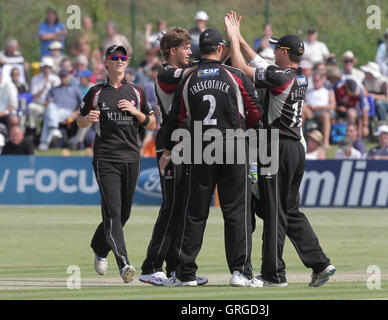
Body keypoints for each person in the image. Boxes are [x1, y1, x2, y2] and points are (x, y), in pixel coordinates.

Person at [225, 11, 335, 287]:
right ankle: (320, 264)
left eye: (277, 48)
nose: (273, 51)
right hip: (295, 148)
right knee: (287, 209)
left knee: (273, 211)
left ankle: (274, 274)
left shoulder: (280, 77)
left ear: (285, 53)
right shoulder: (298, 75)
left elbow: (240, 66)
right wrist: (240, 37)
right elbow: (259, 62)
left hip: (277, 148)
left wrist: (232, 41)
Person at [159, 27, 262, 287]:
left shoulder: (188, 79)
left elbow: (176, 118)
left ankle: (185, 274)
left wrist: (168, 151)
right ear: (220, 48)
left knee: (194, 213)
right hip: (233, 146)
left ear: (198, 50)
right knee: (236, 212)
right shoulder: (235, 75)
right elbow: (255, 111)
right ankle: (241, 272)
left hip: (199, 148)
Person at [77, 45, 156, 283]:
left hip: (132, 157)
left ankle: (100, 248)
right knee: (113, 212)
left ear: (127, 62)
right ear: (106, 62)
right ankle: (124, 264)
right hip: (106, 158)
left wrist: (135, 112)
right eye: (115, 57)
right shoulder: (96, 92)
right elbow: (79, 120)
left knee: (123, 215)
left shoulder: (137, 91)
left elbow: (151, 123)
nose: (120, 61)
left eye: (123, 57)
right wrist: (86, 119)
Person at [139, 27, 208, 286]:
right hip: (171, 143)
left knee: (183, 207)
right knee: (171, 207)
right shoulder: (166, 72)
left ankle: (176, 269)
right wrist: (211, 63)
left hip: (187, 142)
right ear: (172, 51)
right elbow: (191, 72)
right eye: (186, 48)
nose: (190, 52)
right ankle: (151, 266)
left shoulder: (182, 70)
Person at [38, 69, 83, 151]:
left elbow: (84, 103)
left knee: (49, 117)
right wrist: (47, 103)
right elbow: (46, 102)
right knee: (51, 108)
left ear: (69, 77)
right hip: (55, 112)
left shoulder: (75, 89)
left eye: (65, 76)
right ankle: (52, 130)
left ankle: (44, 141)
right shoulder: (53, 89)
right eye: (61, 76)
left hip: (68, 113)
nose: (63, 78)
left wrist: (77, 112)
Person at [27, 57, 61, 141]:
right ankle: (32, 130)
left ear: (51, 68)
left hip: (51, 106)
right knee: (31, 107)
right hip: (39, 104)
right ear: (42, 68)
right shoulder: (35, 79)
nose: (46, 69)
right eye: (45, 67)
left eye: (48, 67)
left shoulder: (56, 79)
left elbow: (58, 96)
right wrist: (43, 88)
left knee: (51, 109)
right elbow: (34, 96)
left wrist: (49, 100)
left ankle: (47, 138)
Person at [305, 71, 336, 148]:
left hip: (322, 112)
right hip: (310, 112)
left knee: (326, 116)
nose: (315, 82)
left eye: (317, 80)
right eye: (313, 80)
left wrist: (317, 107)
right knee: (302, 108)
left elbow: (332, 106)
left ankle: (325, 142)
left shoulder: (328, 91)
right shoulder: (309, 91)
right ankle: (300, 138)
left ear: (322, 80)